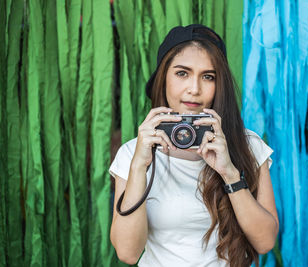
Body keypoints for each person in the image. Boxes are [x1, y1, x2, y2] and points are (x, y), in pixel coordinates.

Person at [109, 24, 279, 267]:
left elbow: (265, 242)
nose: (194, 89)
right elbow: (127, 253)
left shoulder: (248, 144)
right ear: (163, 78)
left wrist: (229, 172)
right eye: (182, 73)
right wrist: (138, 166)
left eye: (208, 77)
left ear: (219, 86)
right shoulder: (132, 153)